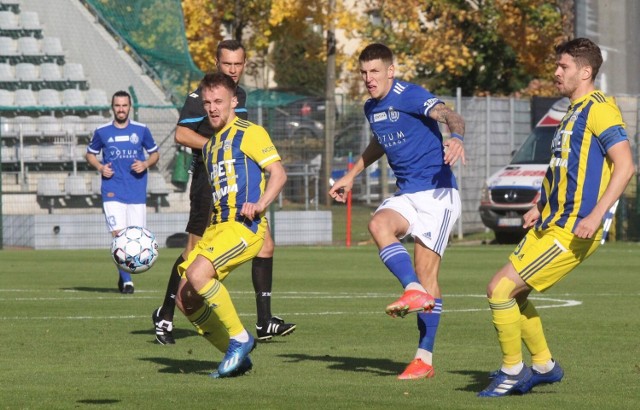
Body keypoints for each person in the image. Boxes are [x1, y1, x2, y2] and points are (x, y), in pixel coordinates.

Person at [478, 38, 635, 398]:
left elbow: (626, 167)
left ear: (586, 71)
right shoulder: (570, 111)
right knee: (512, 296)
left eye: (563, 67)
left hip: (572, 230)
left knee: (499, 291)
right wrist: (538, 203)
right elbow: (561, 169)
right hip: (552, 222)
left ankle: (512, 371)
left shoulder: (600, 110)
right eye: (557, 66)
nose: (556, 72)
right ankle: (545, 367)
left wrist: (596, 215)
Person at [329, 43, 466, 380]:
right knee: (377, 224)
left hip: (438, 193)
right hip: (407, 193)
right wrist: (350, 174)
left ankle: (424, 358)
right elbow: (380, 142)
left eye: (374, 71)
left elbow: (448, 114)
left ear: (391, 71)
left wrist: (456, 136)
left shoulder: (410, 94)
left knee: (427, 274)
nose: (368, 79)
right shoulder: (370, 107)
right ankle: (412, 288)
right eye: (363, 73)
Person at [151, 39, 295, 344]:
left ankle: (265, 320)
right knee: (192, 252)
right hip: (209, 180)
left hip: (235, 181)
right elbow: (181, 133)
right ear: (217, 64)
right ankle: (165, 314)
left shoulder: (238, 94)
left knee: (265, 244)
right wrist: (220, 148)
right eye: (226, 64)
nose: (232, 70)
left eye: (237, 64)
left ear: (244, 65)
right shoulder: (201, 94)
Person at [175, 72, 287, 377]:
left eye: (219, 102)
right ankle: (235, 355)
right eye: (208, 102)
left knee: (198, 275)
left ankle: (240, 339)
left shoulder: (250, 132)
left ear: (233, 102)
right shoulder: (210, 148)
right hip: (218, 228)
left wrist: (261, 204)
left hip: (244, 227)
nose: (212, 108)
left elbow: (278, 174)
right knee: (185, 297)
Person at [86, 90, 160, 294]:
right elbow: (90, 154)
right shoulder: (102, 131)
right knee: (119, 236)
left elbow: (155, 154)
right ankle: (127, 281)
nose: (121, 109)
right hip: (112, 190)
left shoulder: (142, 130)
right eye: (117, 105)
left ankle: (124, 276)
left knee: (135, 237)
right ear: (113, 107)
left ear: (129, 107)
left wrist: (145, 163)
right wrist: (100, 167)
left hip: (136, 191)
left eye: (124, 105)